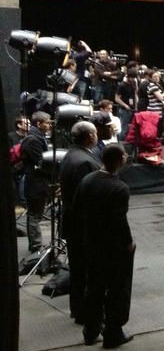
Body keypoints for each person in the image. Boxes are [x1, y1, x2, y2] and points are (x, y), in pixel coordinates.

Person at [73, 144, 135, 348]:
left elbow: (77, 209)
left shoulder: (87, 180)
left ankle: (90, 331)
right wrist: (128, 243)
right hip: (113, 248)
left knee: (95, 288)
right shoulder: (120, 188)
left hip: (90, 243)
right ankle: (113, 332)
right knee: (117, 290)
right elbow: (119, 221)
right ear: (119, 160)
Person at [58, 121, 101, 325]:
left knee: (77, 270)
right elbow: (90, 198)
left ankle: (78, 310)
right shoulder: (85, 161)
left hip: (72, 221)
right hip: (84, 226)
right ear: (91, 136)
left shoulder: (71, 155)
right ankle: (86, 313)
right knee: (87, 272)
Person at [20, 111, 52, 253]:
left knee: (35, 214)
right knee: (34, 215)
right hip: (35, 183)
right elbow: (40, 163)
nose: (49, 125)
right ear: (38, 124)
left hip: (37, 182)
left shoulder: (36, 137)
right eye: (47, 123)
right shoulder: (33, 140)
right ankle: (36, 246)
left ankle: (36, 245)